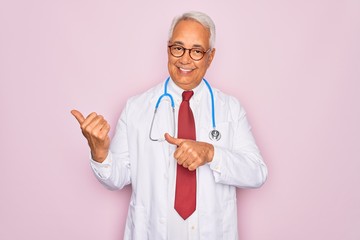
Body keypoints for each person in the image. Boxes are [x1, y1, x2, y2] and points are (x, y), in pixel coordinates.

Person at [71, 11, 267, 240]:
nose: (185, 59)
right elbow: (116, 178)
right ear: (168, 49)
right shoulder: (136, 107)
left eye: (196, 51)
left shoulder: (230, 108)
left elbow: (257, 173)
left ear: (210, 57)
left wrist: (211, 153)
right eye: (178, 48)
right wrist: (100, 153)